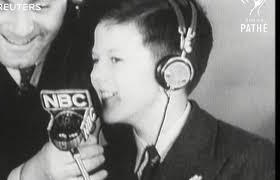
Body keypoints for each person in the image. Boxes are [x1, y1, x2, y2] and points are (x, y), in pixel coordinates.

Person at [88, 0, 275, 179]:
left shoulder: (253, 162)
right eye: (96, 60)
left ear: (173, 70)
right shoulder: (95, 167)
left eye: (115, 60)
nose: (95, 75)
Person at [0, 0, 103, 180]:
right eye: (0, 5)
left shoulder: (104, 35)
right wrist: (33, 174)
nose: (22, 30)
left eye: (40, 6)